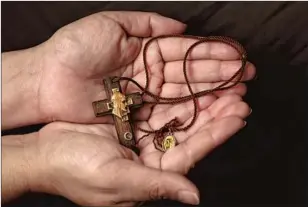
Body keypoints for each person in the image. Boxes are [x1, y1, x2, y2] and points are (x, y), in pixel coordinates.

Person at [2, 11, 256, 206]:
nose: (122, 102)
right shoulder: (116, 97)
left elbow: (127, 101)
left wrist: (35, 75)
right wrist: (33, 162)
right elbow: (118, 102)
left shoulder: (126, 97)